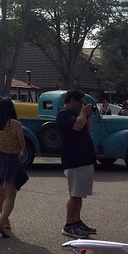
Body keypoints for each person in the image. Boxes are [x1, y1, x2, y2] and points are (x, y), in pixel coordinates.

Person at [56, 89, 97, 238]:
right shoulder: (63, 114)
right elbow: (77, 126)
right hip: (74, 161)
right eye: (80, 102)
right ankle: (68, 225)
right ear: (72, 101)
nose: (82, 105)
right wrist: (84, 114)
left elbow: (87, 127)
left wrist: (88, 116)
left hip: (85, 160)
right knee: (74, 194)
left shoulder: (78, 115)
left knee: (80, 195)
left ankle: (77, 221)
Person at [0, 98, 29, 238]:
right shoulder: (15, 124)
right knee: (11, 194)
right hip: (10, 160)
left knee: (0, 193)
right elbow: (22, 144)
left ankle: (5, 220)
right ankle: (2, 221)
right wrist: (16, 149)